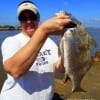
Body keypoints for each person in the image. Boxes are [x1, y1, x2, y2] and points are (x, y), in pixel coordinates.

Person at [0, 0, 71, 100]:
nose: (28, 21)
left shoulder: (49, 42)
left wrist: (71, 49)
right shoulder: (11, 41)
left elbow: (60, 68)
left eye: (32, 17)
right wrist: (44, 30)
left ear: (38, 18)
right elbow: (15, 71)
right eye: (23, 18)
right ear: (19, 21)